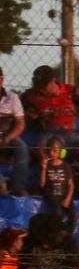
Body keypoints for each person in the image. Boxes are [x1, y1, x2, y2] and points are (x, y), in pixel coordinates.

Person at [20, 65, 79, 158]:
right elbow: (18, 112)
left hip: (70, 132)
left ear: (53, 80)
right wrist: (31, 116)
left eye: (44, 85)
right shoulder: (30, 95)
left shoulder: (69, 90)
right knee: (43, 149)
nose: (40, 88)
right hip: (47, 133)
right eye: (37, 84)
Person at [0, 65, 32, 195]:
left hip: (8, 135)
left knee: (22, 147)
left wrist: (8, 138)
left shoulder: (12, 98)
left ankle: (18, 187)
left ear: (1, 79)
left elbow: (20, 123)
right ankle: (1, 185)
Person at [38, 136, 76, 226]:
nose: (52, 153)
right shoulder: (47, 165)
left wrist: (68, 199)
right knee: (58, 214)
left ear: (61, 152)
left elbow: (71, 185)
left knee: (73, 216)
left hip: (64, 195)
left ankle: (68, 235)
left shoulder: (66, 166)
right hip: (51, 195)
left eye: (55, 150)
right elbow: (42, 184)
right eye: (50, 150)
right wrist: (43, 168)